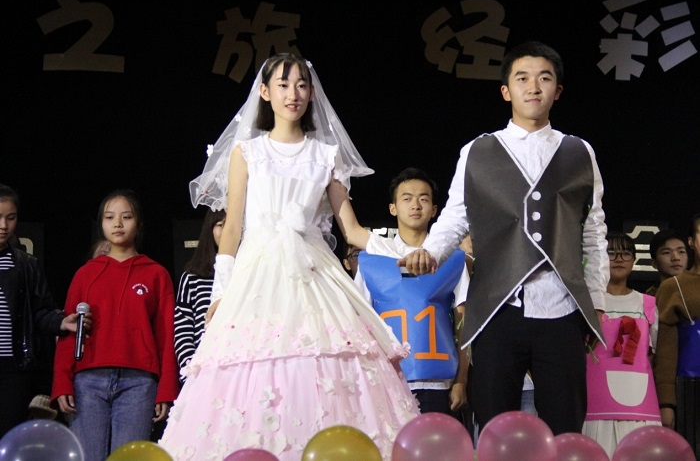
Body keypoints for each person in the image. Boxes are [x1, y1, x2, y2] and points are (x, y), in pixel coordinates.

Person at [159, 53, 419, 460]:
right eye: (282, 85)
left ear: (311, 92)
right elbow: (232, 229)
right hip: (257, 275)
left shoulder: (325, 154)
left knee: (326, 361)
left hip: (314, 273)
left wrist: (406, 250)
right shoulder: (247, 152)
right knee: (253, 366)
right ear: (265, 92)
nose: (292, 93)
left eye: (300, 84)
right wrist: (220, 293)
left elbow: (353, 231)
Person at [396, 41, 609, 435]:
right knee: (495, 427)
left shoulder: (579, 151)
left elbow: (593, 230)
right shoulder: (478, 150)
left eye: (544, 78)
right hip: (498, 308)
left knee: (565, 427)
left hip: (561, 308)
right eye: (522, 78)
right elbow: (456, 215)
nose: (534, 87)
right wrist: (430, 252)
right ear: (506, 91)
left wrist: (595, 302)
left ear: (558, 90)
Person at [51, 189, 179, 460]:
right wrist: (61, 382)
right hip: (88, 381)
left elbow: (167, 336)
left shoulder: (156, 274)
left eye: (126, 217)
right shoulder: (85, 274)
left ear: (139, 223)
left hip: (139, 383)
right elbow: (69, 331)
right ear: (101, 223)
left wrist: (166, 389)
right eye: (109, 217)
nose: (118, 224)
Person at [354, 167, 469, 416]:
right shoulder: (372, 260)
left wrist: (461, 380)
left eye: (423, 199)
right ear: (393, 208)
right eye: (407, 198)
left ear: (435, 210)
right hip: (387, 381)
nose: (415, 205)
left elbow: (465, 323)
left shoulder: (453, 259)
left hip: (439, 384)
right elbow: (358, 323)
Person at [0, 184, 88, 438]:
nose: (4, 225)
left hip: (12, 369)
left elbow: (40, 312)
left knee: (8, 438)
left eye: (11, 217)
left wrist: (62, 322)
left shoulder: (26, 265)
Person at [582, 232, 660, 458]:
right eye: (612, 253)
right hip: (596, 401)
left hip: (640, 403)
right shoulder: (588, 303)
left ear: (634, 260)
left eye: (625, 253)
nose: (618, 259)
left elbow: (655, 354)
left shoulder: (648, 304)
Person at [654, 213, 700, 458]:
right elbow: (666, 352)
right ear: (692, 241)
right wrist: (666, 403)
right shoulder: (674, 287)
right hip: (691, 391)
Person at [174, 208, 226, 379]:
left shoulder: (249, 273)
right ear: (210, 229)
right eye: (220, 225)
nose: (227, 231)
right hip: (202, 373)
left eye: (232, 225)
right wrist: (191, 371)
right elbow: (183, 329)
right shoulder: (192, 277)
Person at [646, 229, 688, 296]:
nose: (676, 258)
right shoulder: (648, 298)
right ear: (654, 263)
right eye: (666, 252)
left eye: (681, 251)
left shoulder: (696, 291)